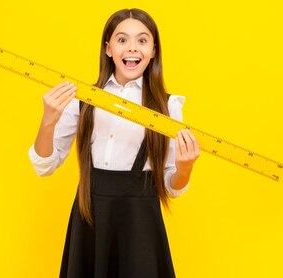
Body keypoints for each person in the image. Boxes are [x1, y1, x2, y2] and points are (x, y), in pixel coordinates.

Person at [28, 8, 199, 277]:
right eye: (122, 40)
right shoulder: (83, 99)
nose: (132, 48)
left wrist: (185, 168)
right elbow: (44, 165)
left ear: (154, 50)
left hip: (140, 223)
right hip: (90, 218)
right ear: (108, 48)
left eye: (142, 40)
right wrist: (48, 120)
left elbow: (171, 185)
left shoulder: (168, 106)